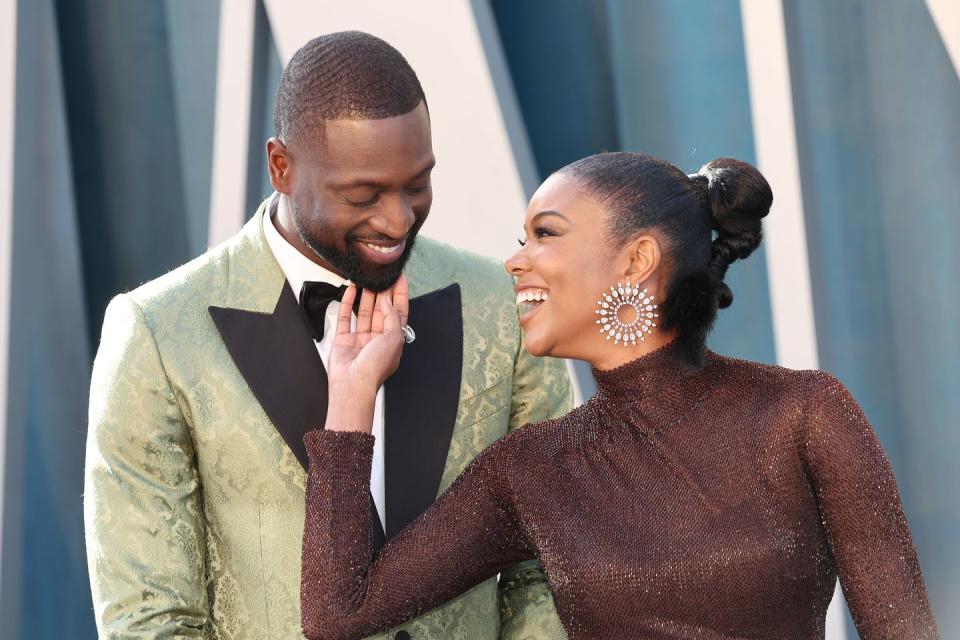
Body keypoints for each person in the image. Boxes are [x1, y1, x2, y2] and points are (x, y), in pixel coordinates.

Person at [300, 153, 939, 639]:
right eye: (522, 239)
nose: (514, 262)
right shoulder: (529, 470)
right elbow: (338, 611)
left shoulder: (801, 414)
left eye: (544, 234)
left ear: (635, 260)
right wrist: (351, 395)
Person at [84, 31, 571, 639]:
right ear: (281, 167)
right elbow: (149, 617)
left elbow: (548, 564)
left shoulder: (503, 306)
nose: (398, 221)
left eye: (416, 184)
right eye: (362, 195)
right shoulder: (157, 334)